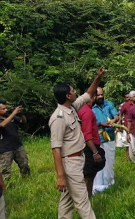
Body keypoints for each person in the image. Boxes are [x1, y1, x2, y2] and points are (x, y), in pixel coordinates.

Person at [49, 68, 105, 219]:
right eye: (73, 90)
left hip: (77, 159)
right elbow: (56, 148)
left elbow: (89, 93)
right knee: (83, 201)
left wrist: (98, 77)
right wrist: (60, 176)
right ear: (68, 96)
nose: (75, 92)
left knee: (67, 200)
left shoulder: (72, 107)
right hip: (70, 162)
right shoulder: (58, 118)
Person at [91, 87, 119, 194]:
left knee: (109, 161)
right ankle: (97, 185)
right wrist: (100, 124)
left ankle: (109, 183)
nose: (101, 97)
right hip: (97, 139)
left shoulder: (109, 104)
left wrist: (114, 120)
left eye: (102, 94)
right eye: (98, 95)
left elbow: (116, 115)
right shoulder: (91, 107)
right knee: (97, 162)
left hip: (109, 137)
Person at [0, 101, 30, 180]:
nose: (6, 110)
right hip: (5, 148)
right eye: (3, 109)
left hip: (17, 145)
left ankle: (27, 180)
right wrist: (14, 113)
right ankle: (6, 185)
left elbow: (23, 121)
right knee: (5, 170)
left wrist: (21, 114)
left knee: (24, 165)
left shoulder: (10, 116)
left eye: (6, 108)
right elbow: (2, 125)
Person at [78, 100, 106, 197]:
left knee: (91, 174)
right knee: (87, 175)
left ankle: (89, 196)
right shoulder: (87, 112)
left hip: (90, 145)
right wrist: (95, 152)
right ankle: (85, 199)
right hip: (90, 147)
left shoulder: (84, 110)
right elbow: (87, 135)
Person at [119, 91, 135, 163]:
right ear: (131, 98)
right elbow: (120, 115)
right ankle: (129, 159)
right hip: (128, 127)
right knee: (128, 143)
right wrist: (119, 125)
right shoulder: (125, 105)